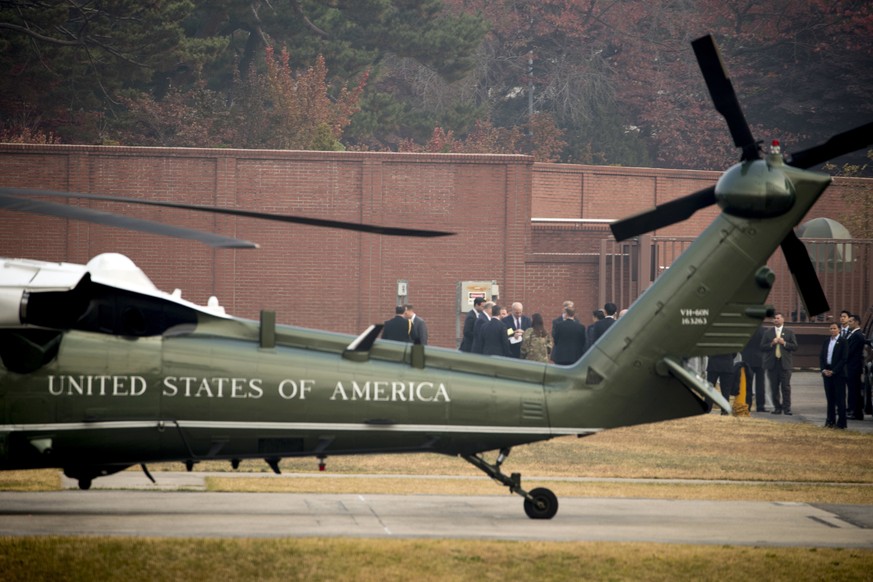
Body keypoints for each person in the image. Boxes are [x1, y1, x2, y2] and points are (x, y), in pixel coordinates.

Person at [760, 312, 797, 415]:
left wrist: (784, 343)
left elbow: (795, 347)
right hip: (772, 364)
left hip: (785, 364)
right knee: (774, 387)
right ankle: (777, 408)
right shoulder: (768, 333)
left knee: (785, 387)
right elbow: (762, 347)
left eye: (778, 318)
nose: (776, 320)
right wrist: (772, 343)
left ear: (783, 320)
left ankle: (787, 408)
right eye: (774, 318)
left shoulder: (789, 332)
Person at [819, 322, 848, 429]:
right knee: (830, 398)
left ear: (839, 330)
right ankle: (830, 421)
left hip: (838, 373)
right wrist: (823, 370)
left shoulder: (843, 342)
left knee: (840, 399)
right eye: (831, 328)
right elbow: (822, 357)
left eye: (834, 328)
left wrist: (834, 371)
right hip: (827, 372)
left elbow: (844, 358)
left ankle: (841, 423)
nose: (832, 330)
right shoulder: (826, 341)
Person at [741, 327, 767, 412]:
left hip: (747, 359)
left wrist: (744, 353)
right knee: (760, 385)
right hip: (760, 360)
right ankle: (760, 406)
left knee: (748, 384)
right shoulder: (763, 330)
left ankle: (747, 405)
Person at [846, 314, 866, 420]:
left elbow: (850, 350)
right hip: (851, 366)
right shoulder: (852, 334)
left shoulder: (857, 335)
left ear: (857, 322)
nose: (848, 323)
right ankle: (852, 410)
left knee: (854, 390)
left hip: (853, 366)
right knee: (852, 389)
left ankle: (855, 411)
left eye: (850, 321)